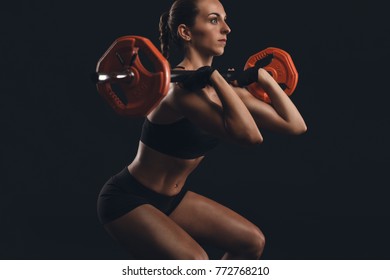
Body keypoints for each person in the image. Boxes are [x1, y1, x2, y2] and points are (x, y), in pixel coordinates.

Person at [97, 0, 307, 260]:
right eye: (213, 20)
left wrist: (264, 77)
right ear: (186, 32)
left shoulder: (223, 89)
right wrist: (215, 78)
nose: (227, 29)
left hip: (173, 200)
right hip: (128, 198)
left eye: (225, 19)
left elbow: (296, 125)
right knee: (196, 262)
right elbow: (251, 137)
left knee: (252, 242)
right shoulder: (177, 93)